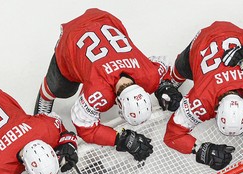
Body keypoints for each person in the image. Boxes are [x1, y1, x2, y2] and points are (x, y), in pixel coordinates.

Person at [34, 8, 168, 163]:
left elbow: (163, 65)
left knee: (89, 80)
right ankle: (45, 98)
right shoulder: (100, 92)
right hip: (72, 35)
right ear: (118, 102)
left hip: (102, 18)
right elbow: (84, 127)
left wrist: (164, 86)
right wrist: (118, 139)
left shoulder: (149, 75)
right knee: (60, 88)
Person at [163, 61, 243, 171]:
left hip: (236, 50)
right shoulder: (200, 100)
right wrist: (201, 149)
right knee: (182, 65)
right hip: (206, 41)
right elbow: (171, 136)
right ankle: (172, 79)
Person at [168, 19, 243, 88]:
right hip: (206, 39)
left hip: (234, 38)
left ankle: (173, 79)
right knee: (183, 66)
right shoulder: (204, 91)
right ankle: (172, 79)